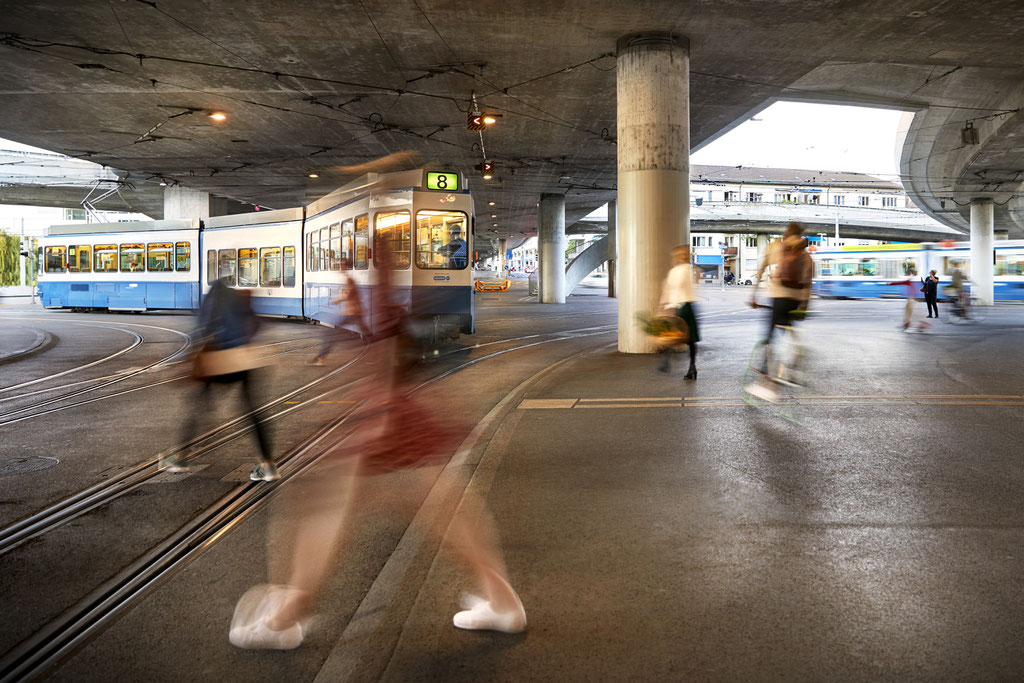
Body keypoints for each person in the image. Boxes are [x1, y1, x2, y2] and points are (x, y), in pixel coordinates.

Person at [229, 241, 525, 650]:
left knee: (324, 506)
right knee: (444, 504)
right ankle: (502, 600)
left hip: (383, 408)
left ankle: (284, 618)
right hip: (403, 404)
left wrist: (377, 405)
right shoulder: (379, 267)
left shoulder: (375, 267)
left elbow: (383, 340)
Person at [162, 278, 279, 481]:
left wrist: (188, 357)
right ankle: (268, 466)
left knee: (199, 403)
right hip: (247, 358)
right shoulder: (241, 301)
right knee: (253, 411)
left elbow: (204, 326)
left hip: (221, 359)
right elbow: (257, 325)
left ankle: (179, 458)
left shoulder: (214, 293)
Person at [751, 222, 812, 343]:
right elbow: (808, 284)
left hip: (780, 297)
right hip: (797, 299)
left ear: (787, 233)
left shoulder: (776, 247)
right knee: (787, 322)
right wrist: (804, 306)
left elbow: (760, 272)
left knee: (771, 330)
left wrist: (754, 297)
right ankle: (796, 350)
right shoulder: (806, 255)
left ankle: (766, 357)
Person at [307, 258, 368, 366]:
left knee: (331, 333)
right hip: (354, 313)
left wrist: (336, 300)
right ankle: (380, 351)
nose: (341, 267)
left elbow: (348, 295)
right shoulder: (349, 279)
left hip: (353, 313)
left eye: (343, 265)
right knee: (368, 334)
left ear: (347, 267)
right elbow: (349, 294)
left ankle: (321, 358)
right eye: (341, 265)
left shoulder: (349, 280)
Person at [658, 245, 700, 379]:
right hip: (688, 306)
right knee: (690, 339)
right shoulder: (689, 269)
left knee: (675, 335)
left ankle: (667, 361)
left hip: (682, 307)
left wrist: (664, 306)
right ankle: (692, 368)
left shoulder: (678, 270)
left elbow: (670, 289)